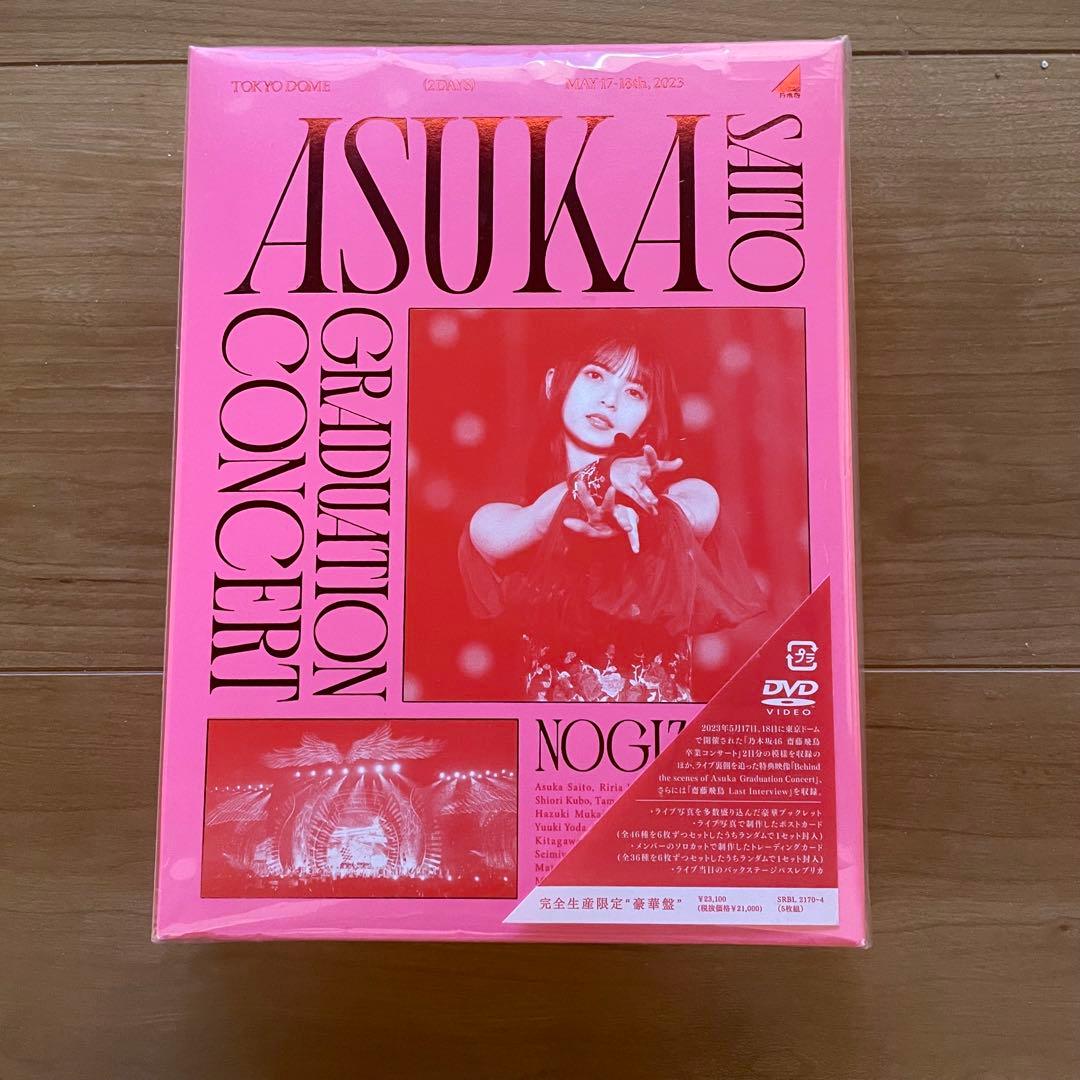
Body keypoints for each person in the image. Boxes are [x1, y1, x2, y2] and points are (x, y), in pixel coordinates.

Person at [459, 340, 765, 702]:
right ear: (554, 382)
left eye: (634, 391)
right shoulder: (499, 518)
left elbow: (687, 515)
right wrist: (603, 475)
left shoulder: (688, 493)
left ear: (648, 420)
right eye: (595, 375)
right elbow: (528, 526)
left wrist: (631, 514)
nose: (610, 400)